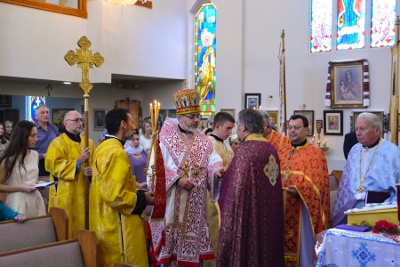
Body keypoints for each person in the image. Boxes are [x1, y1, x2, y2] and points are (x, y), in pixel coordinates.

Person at [148, 88, 223, 266]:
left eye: (198, 115)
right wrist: (177, 180)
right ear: (180, 116)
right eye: (191, 116)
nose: (196, 120)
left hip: (196, 207)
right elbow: (153, 170)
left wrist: (217, 171)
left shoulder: (204, 141)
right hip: (171, 205)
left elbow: (213, 160)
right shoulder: (163, 139)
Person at [217, 109, 284, 267]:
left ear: (244, 127)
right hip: (269, 221)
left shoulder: (245, 151)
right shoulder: (271, 149)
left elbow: (234, 190)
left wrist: (225, 178)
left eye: (239, 125)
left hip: (250, 220)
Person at [90, 108, 153, 267]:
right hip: (120, 228)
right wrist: (142, 198)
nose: (134, 127)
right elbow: (115, 196)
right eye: (132, 122)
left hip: (105, 221)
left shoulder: (103, 147)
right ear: (123, 124)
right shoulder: (117, 152)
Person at [333, 112, 400, 226]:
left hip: (380, 208)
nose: (358, 133)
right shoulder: (354, 150)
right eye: (357, 129)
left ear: (376, 130)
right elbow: (345, 184)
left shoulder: (392, 152)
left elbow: (397, 187)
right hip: (352, 208)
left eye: (363, 129)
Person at [282, 114, 330, 267]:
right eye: (290, 127)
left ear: (306, 130)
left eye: (296, 127)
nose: (292, 131)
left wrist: (300, 191)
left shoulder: (315, 154)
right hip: (282, 208)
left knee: (303, 248)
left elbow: (319, 185)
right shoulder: (281, 152)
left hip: (303, 210)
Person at [45, 110, 96, 238]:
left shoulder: (88, 143)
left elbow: (97, 164)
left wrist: (91, 172)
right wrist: (78, 163)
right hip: (67, 195)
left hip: (86, 193)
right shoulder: (57, 144)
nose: (80, 123)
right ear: (66, 123)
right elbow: (53, 166)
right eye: (76, 120)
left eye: (81, 120)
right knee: (68, 231)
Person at [205, 111, 235, 267]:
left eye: (232, 129)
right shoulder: (207, 144)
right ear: (217, 126)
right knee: (213, 236)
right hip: (212, 200)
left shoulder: (227, 146)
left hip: (227, 199)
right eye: (228, 128)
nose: (230, 132)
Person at [0, 120, 46, 218]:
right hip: (18, 201)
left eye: (36, 135)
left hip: (36, 199)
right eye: (32, 136)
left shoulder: (35, 155)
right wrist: (21, 187)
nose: (36, 139)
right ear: (22, 137)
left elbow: (34, 178)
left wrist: (39, 184)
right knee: (22, 232)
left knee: (39, 231)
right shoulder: (9, 159)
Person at [33, 105, 60, 176]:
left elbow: (59, 144)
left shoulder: (54, 128)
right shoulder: (32, 129)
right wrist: (42, 156)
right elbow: (27, 150)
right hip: (38, 163)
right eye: (42, 113)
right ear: (36, 115)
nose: (46, 115)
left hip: (53, 162)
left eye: (47, 112)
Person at [198, 30, 216, 100]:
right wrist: (200, 67)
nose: (207, 41)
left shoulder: (212, 49)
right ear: (204, 40)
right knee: (204, 83)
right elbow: (200, 60)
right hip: (204, 68)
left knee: (210, 83)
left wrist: (211, 55)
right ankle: (203, 97)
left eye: (208, 39)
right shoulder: (203, 49)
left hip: (210, 69)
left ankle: (210, 97)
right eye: (206, 39)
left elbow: (214, 58)